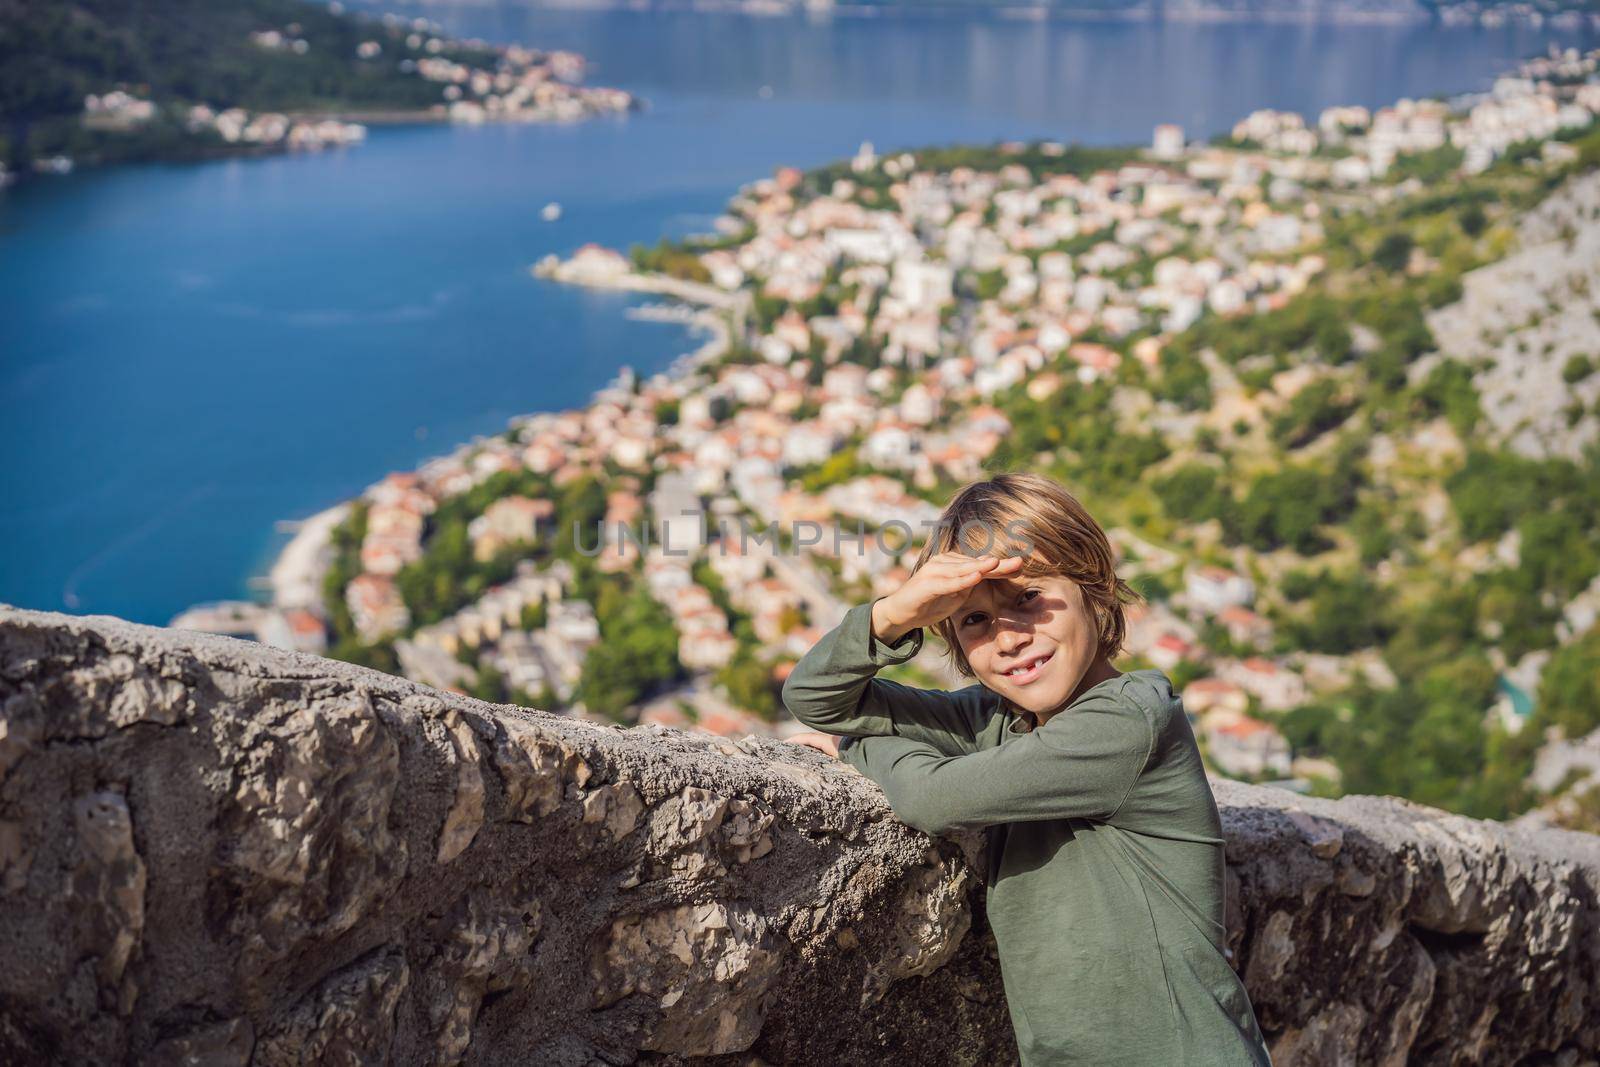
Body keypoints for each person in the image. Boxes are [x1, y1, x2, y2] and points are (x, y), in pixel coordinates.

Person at [783, 472, 1272, 1066]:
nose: (1009, 637)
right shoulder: (997, 722)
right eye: (974, 620)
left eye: (1027, 599)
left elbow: (933, 798)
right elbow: (816, 699)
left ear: (1093, 588)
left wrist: (854, 748)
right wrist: (892, 616)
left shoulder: (1129, 720)